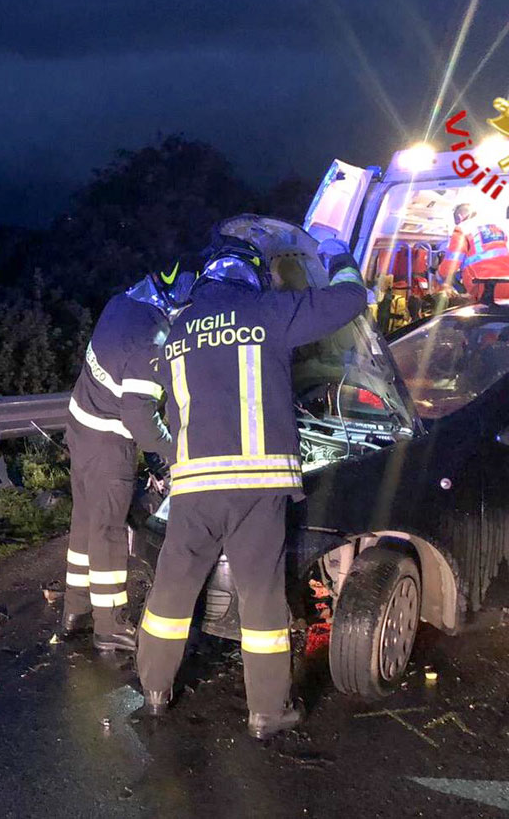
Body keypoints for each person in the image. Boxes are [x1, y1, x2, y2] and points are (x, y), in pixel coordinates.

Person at [136, 216, 367, 738]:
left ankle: (153, 690)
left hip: (193, 486)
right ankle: (267, 712)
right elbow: (350, 301)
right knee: (260, 597)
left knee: (172, 589)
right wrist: (336, 253)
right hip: (256, 487)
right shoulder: (267, 311)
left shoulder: (177, 330)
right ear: (253, 275)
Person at [61, 267, 185, 650]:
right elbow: (139, 418)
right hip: (108, 443)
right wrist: (173, 453)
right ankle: (110, 625)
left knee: (85, 523)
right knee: (109, 533)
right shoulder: (152, 338)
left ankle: (75, 611)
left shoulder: (121, 303)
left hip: (80, 427)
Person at [438, 202, 509, 302]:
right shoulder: (496, 227)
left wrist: (439, 274)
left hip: (486, 287)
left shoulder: (462, 229)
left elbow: (452, 262)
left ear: (459, 217)